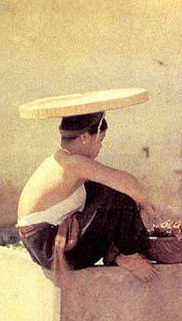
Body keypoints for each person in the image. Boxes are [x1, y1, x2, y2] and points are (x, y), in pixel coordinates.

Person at [17, 111, 159, 283]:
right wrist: (145, 203)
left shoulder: (59, 158)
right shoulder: (74, 163)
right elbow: (127, 183)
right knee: (119, 196)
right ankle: (129, 254)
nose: (101, 146)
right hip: (54, 251)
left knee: (100, 188)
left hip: (41, 246)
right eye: (100, 140)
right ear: (84, 137)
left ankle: (116, 253)